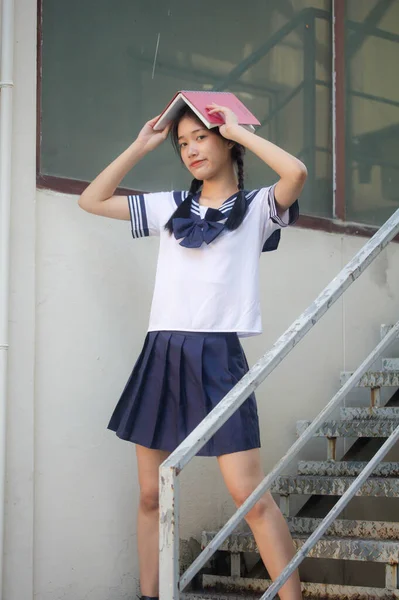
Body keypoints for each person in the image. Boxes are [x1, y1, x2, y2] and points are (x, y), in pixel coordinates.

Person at [78, 100, 307, 600]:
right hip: (162, 352)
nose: (189, 149)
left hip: (218, 358)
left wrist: (237, 131)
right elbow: (91, 200)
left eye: (200, 137)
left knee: (250, 495)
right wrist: (142, 146)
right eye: (182, 143)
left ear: (225, 138)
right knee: (149, 495)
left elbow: (296, 171)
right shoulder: (170, 206)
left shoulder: (256, 209)